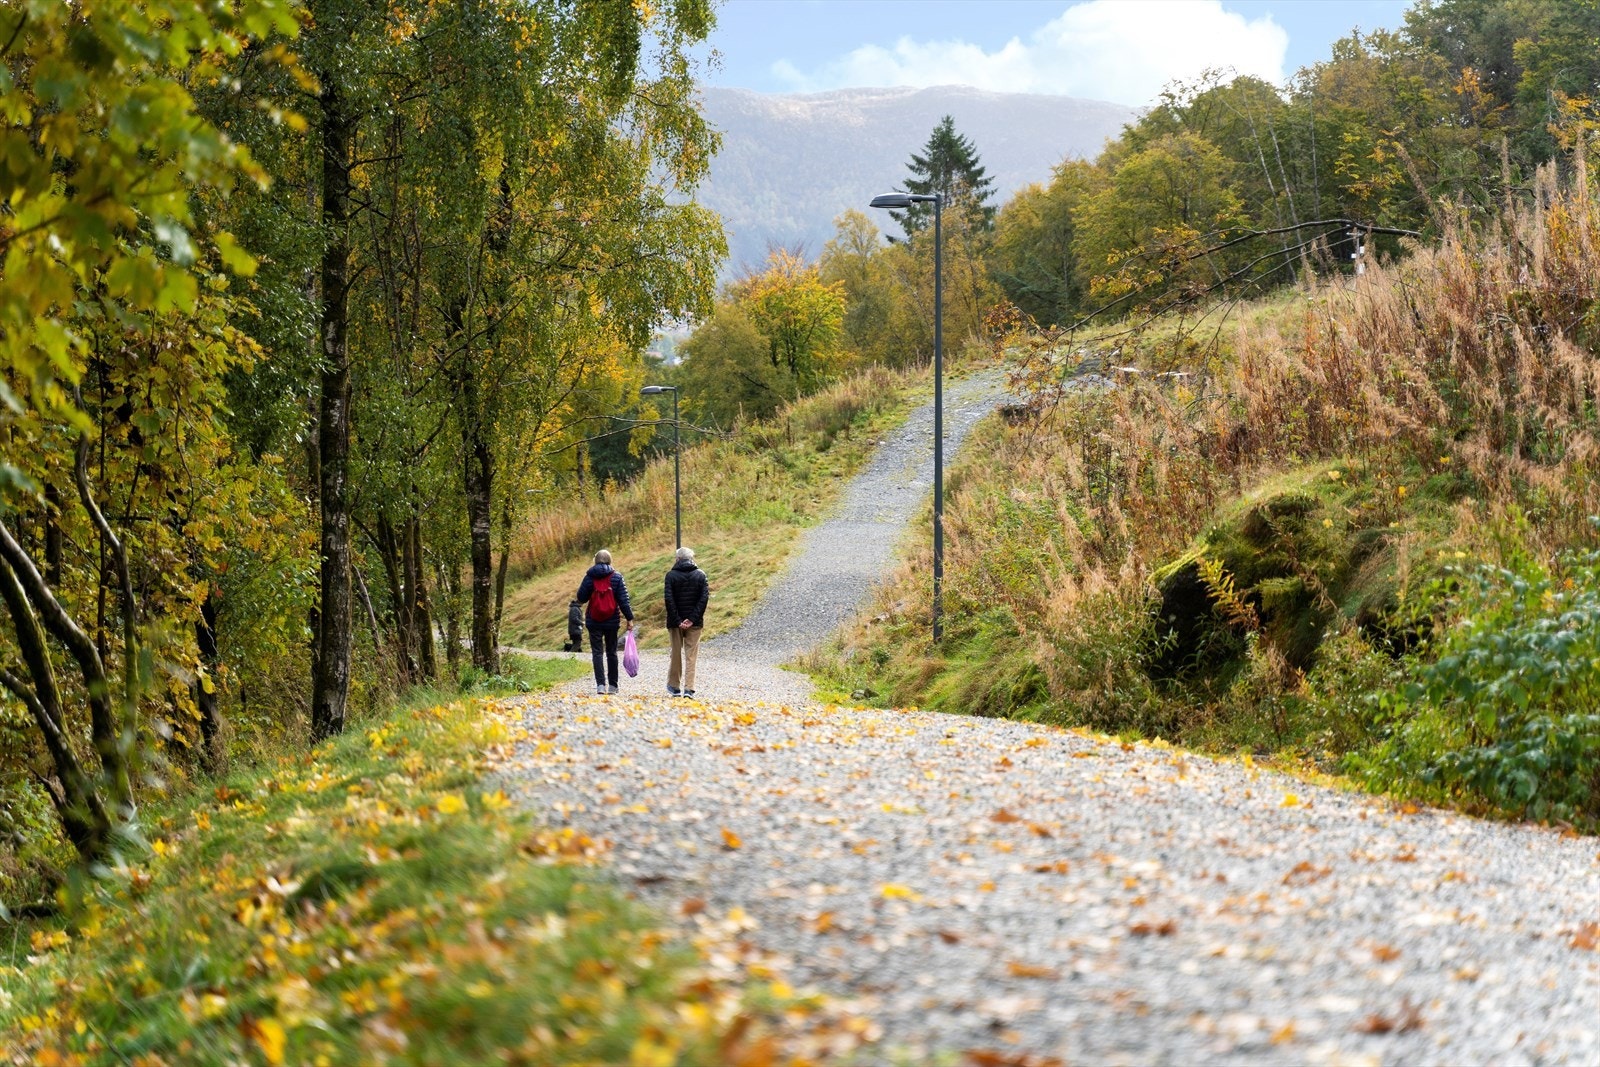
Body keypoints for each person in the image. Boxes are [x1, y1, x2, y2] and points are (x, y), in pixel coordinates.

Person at [576, 549, 633, 695]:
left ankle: (600, 685)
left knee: (597, 652)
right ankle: (613, 686)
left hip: (594, 620)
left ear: (595, 561)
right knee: (611, 652)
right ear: (610, 560)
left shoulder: (589, 577)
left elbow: (581, 597)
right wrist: (629, 618)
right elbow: (624, 600)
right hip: (612, 620)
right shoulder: (617, 577)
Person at [663, 546, 709, 697]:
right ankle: (689, 688)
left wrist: (678, 620)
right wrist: (692, 619)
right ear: (692, 558)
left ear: (677, 559)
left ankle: (674, 687)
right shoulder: (701, 575)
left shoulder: (670, 576)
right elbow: (703, 599)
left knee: (676, 653)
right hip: (695, 624)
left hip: (675, 623)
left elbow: (669, 600)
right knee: (691, 655)